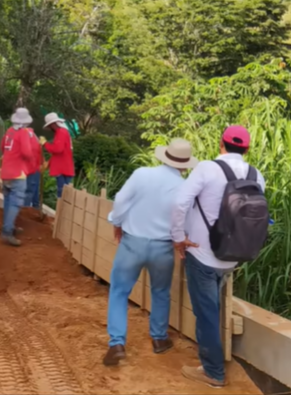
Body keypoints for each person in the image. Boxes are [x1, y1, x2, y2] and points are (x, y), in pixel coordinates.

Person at [171, 125, 265, 388]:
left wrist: (178, 237)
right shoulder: (257, 176)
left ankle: (213, 372)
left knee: (207, 314)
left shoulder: (206, 168)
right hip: (232, 257)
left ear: (221, 144)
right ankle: (212, 362)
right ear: (246, 149)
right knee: (212, 310)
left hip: (201, 254)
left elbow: (180, 202)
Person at [103, 139, 198, 367]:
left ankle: (117, 343)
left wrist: (117, 222)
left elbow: (121, 199)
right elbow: (186, 220)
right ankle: (159, 339)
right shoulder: (185, 187)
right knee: (161, 292)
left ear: (164, 156)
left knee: (118, 292)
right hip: (163, 247)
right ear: (185, 165)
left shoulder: (142, 174)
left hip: (132, 243)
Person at [0, 107, 34, 247]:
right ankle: (7, 231)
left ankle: (8, 226)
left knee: (8, 201)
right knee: (16, 202)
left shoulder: (9, 131)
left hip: (6, 171)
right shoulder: (23, 133)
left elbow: (2, 147)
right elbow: (26, 152)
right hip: (17, 173)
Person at [42, 112, 75, 199]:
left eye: (49, 126)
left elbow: (58, 149)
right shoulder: (61, 132)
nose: (49, 128)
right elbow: (58, 153)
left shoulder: (61, 132)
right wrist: (49, 163)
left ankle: (63, 212)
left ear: (52, 124)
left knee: (63, 194)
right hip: (64, 166)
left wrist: (45, 144)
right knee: (65, 193)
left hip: (62, 167)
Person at [23, 124, 44, 211]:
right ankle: (36, 210)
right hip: (36, 168)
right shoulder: (34, 136)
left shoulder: (25, 135)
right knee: (34, 191)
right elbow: (39, 151)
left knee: (28, 191)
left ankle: (26, 213)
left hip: (30, 168)